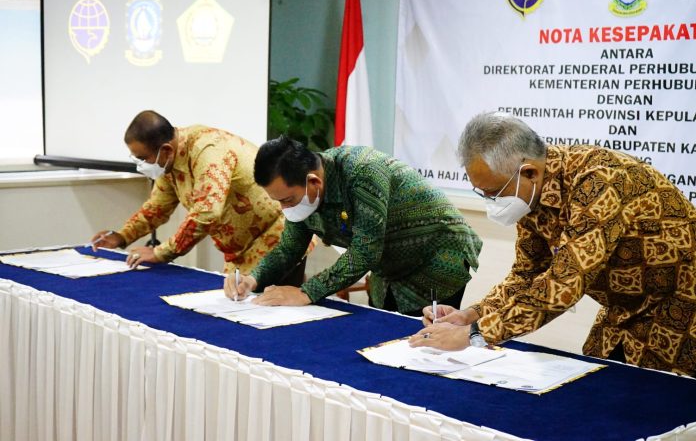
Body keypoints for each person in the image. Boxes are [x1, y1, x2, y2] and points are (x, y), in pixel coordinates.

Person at [410, 112, 696, 376]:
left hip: (681, 311)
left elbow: (565, 283)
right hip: (623, 313)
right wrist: (470, 315)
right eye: (482, 194)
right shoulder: (530, 194)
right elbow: (525, 276)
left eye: (494, 193)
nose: (491, 203)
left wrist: (474, 334)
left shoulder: (600, 181)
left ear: (529, 173)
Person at [224, 136, 482, 316]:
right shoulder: (303, 197)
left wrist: (306, 293)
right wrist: (252, 278)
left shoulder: (363, 172)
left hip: (436, 258)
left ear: (314, 182)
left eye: (287, 200)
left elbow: (365, 252)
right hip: (388, 268)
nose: (284, 208)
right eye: (278, 201)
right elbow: (288, 248)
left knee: (425, 345)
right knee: (380, 337)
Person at [91, 110, 287, 276]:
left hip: (274, 235)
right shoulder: (169, 161)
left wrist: (161, 252)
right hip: (239, 250)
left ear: (166, 150)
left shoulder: (208, 150)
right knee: (236, 302)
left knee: (257, 304)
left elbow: (207, 212)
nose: (141, 165)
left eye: (143, 158)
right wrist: (122, 236)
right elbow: (157, 208)